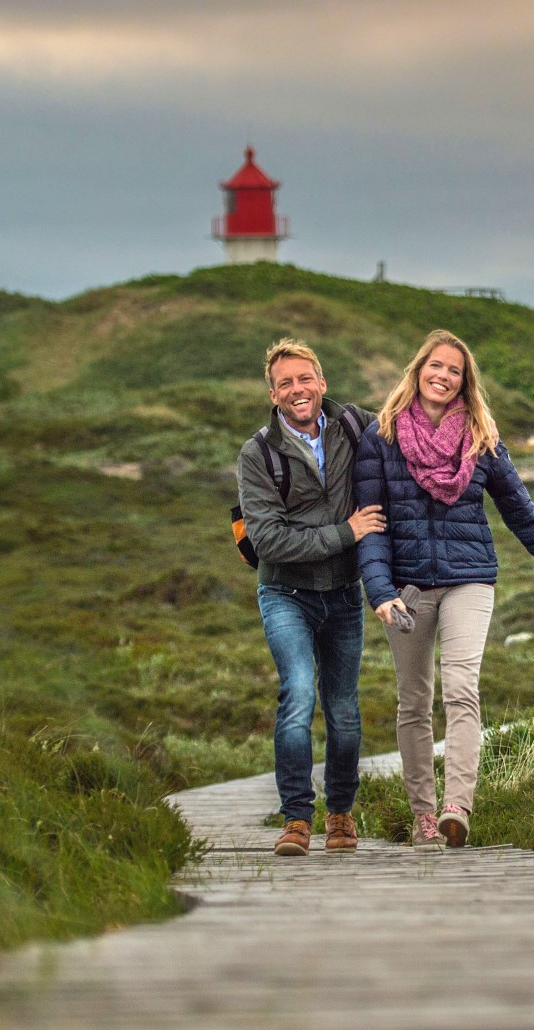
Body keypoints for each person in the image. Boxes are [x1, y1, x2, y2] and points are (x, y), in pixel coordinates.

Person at [355, 329, 534, 849]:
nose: (442, 376)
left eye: (454, 370)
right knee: (414, 701)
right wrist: (379, 590)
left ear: (466, 383)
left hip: (469, 580)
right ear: (417, 371)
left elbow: (523, 517)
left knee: (461, 688)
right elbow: (369, 524)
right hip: (405, 588)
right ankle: (422, 815)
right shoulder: (381, 438)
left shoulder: (483, 440)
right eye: (434, 366)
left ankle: (455, 807)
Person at [237, 339, 385, 856]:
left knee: (343, 710)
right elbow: (268, 541)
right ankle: (297, 819)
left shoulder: (355, 424)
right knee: (298, 696)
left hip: (344, 594)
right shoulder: (258, 454)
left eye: (305, 379)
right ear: (273, 394)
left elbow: (410, 431)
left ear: (321, 382)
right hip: (284, 594)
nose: (297, 390)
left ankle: (341, 815)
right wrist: (347, 533)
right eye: (285, 384)